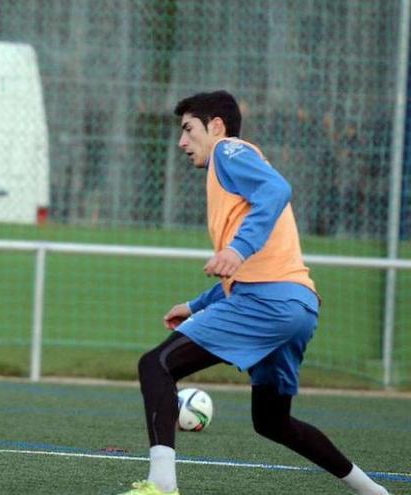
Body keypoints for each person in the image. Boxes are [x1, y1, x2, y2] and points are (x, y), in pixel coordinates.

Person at [119, 91, 390, 495]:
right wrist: (196, 305)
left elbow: (278, 190)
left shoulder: (228, 152)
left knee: (155, 365)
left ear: (216, 126)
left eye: (188, 129)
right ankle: (375, 492)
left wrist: (236, 249)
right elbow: (250, 270)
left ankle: (161, 486)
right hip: (296, 305)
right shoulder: (232, 172)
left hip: (267, 303)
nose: (182, 142)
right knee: (272, 422)